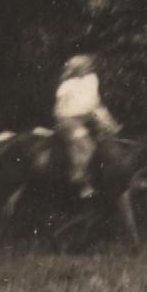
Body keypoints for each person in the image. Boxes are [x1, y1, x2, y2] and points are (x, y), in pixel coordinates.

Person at [54, 54, 119, 199]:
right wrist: (67, 124)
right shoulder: (66, 86)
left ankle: (112, 177)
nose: (89, 68)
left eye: (89, 65)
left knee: (111, 139)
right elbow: (59, 110)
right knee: (87, 146)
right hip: (68, 119)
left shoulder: (92, 80)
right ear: (77, 69)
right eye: (85, 66)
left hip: (89, 117)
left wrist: (109, 121)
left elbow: (96, 104)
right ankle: (81, 181)